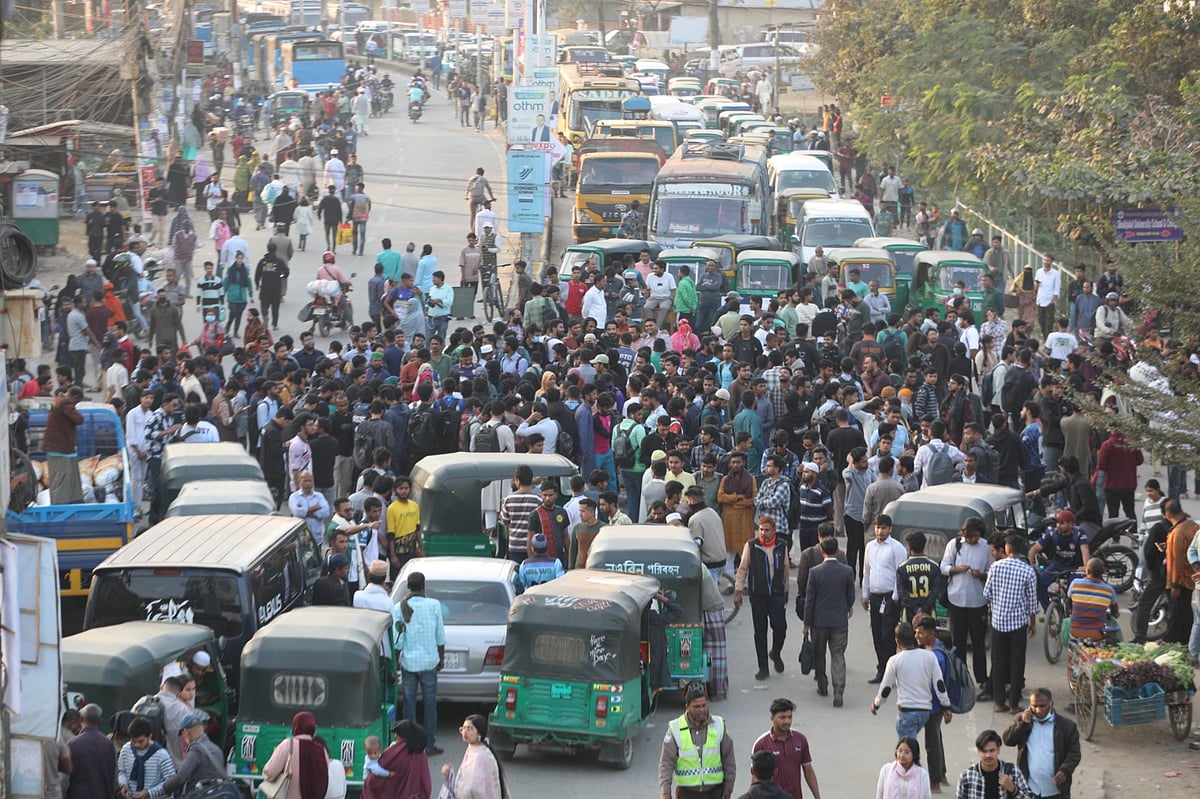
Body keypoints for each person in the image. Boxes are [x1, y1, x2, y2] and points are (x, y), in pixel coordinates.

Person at [983, 534, 1039, 714]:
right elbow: (1032, 602)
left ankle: (999, 702)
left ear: (1007, 549)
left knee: (998, 661)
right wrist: (1033, 624)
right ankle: (1014, 704)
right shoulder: (1028, 571)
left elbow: (987, 593)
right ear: (1021, 550)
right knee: (1017, 662)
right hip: (1018, 624)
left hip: (998, 622)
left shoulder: (995, 567)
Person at [871, 622, 952, 741]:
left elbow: (886, 688)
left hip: (907, 712)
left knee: (906, 748)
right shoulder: (929, 656)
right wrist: (946, 706)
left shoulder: (894, 660)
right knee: (917, 745)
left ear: (897, 641)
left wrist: (876, 704)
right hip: (925, 711)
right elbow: (939, 684)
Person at [394, 571, 446, 755]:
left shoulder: (399, 607)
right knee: (430, 705)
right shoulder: (434, 605)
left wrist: (396, 662)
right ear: (424, 586)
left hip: (409, 663)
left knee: (409, 705)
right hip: (429, 662)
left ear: (408, 586)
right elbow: (440, 635)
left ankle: (410, 745)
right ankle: (429, 745)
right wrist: (441, 657)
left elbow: (398, 639)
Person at [940, 518, 992, 699]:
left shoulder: (986, 547)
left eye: (976, 536)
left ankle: (982, 679)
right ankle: (960, 678)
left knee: (978, 642)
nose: (972, 539)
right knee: (958, 643)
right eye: (970, 536)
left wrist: (981, 575)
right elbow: (943, 567)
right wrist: (956, 569)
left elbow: (992, 571)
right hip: (957, 600)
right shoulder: (954, 545)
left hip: (978, 601)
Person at [658, 681, 736, 799]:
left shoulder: (719, 725)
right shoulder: (675, 728)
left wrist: (729, 786)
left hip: (715, 792)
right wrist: (665, 792)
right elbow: (666, 763)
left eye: (704, 705)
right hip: (686, 793)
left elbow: (728, 758)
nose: (701, 710)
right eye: (696, 707)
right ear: (687, 707)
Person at [735, 516, 790, 681]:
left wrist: (786, 589)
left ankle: (775, 653)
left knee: (780, 628)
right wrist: (738, 590)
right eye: (761, 530)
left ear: (774, 531)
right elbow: (743, 569)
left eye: (767, 530)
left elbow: (786, 569)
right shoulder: (751, 546)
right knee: (760, 632)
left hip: (777, 593)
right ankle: (763, 668)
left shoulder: (782, 545)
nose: (763, 533)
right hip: (758, 595)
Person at [803, 534, 855, 706]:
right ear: (837, 551)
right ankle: (838, 689)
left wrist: (806, 623)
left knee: (820, 653)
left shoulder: (815, 572)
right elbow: (850, 595)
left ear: (822, 550)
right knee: (838, 654)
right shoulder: (847, 571)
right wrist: (847, 607)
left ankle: (822, 685)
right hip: (839, 620)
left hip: (819, 621)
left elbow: (810, 600)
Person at [1001, 687, 1081, 799]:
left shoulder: (1066, 726)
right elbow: (1008, 741)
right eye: (1034, 706)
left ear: (1051, 703)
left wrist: (1065, 770)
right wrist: (1023, 723)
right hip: (1030, 787)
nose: (1038, 710)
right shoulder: (1023, 719)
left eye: (1042, 706)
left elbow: (1074, 753)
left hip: (1056, 790)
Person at [863, 514, 908, 683]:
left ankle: (890, 671)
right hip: (875, 597)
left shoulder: (897, 548)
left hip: (890, 597)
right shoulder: (870, 547)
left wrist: (895, 597)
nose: (879, 531)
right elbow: (866, 571)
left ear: (890, 529)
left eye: (883, 528)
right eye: (877, 527)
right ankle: (881, 669)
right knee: (876, 634)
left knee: (888, 635)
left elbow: (900, 574)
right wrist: (865, 594)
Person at [751, 698, 822, 799]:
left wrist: (817, 797)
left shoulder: (800, 739)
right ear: (772, 718)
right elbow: (756, 777)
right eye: (782, 717)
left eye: (790, 717)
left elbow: (808, 770)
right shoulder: (761, 744)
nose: (787, 721)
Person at [261, 711, 329, 799]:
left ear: (295, 727)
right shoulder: (322, 751)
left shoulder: (288, 745)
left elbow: (270, 772)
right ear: (313, 728)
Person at [440, 713, 510, 799]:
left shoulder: (481, 756)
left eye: (469, 729)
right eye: (463, 728)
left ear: (479, 733)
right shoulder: (473, 748)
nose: (464, 732)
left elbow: (472, 788)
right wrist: (450, 775)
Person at [159, 711, 226, 797]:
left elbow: (180, 777)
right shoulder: (216, 749)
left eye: (182, 734)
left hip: (200, 795)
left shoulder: (196, 749)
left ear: (186, 732)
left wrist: (164, 788)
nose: (183, 737)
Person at [955, 729, 1032, 799]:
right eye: (984, 751)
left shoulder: (1012, 771)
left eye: (992, 751)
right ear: (978, 751)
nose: (988, 755)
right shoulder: (967, 776)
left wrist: (1013, 789)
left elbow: (1029, 796)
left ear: (998, 750)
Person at [363, 720, 431, 799]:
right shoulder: (421, 754)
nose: (395, 736)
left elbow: (375, 777)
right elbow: (425, 783)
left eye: (397, 734)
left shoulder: (395, 752)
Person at [116, 716, 177, 799]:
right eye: (133, 741)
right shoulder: (126, 750)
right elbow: (121, 771)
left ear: (150, 736)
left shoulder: (161, 755)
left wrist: (149, 793)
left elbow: (170, 782)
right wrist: (124, 784)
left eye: (140, 741)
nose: (136, 744)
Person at [44, 386, 85, 504]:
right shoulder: (65, 402)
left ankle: (68, 504)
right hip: (59, 449)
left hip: (62, 449)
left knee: (66, 479)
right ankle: (59, 508)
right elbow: (79, 419)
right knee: (61, 480)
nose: (76, 405)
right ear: (75, 397)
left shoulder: (59, 402)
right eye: (77, 402)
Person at [66, 704, 116, 799]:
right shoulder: (109, 744)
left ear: (81, 719)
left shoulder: (72, 744)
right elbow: (113, 776)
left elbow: (65, 778)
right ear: (100, 721)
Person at [1065, 557, 1118, 641]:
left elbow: (1069, 602)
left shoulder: (1075, 583)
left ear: (1088, 571)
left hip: (1075, 632)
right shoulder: (1109, 590)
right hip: (1096, 635)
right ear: (1103, 572)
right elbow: (1115, 612)